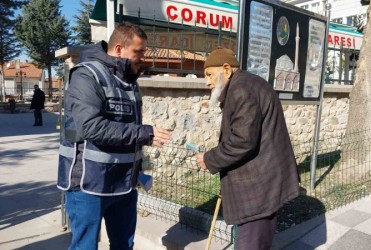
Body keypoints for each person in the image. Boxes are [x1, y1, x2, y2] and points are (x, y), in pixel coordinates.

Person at [57, 23, 171, 250]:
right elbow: (91, 127)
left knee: (123, 245)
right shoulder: (86, 75)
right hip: (89, 184)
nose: (143, 58)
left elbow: (126, 133)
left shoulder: (129, 81)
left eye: (144, 52)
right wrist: (144, 133)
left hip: (124, 184)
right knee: (85, 247)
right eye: (138, 52)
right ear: (118, 49)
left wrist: (139, 171)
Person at [195, 47, 300, 250]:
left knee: (250, 245)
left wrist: (209, 159)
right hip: (261, 182)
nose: (206, 82)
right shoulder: (245, 84)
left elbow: (243, 141)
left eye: (209, 74)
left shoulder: (241, 89)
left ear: (226, 69)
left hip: (258, 189)